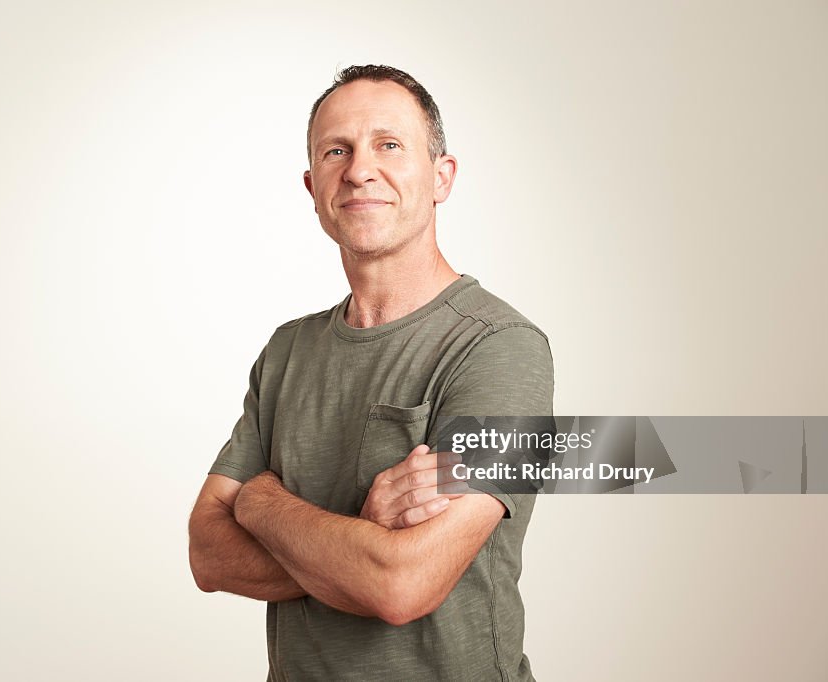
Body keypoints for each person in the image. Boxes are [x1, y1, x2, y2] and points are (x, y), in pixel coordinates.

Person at [188, 64, 554, 681]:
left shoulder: (499, 348)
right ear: (313, 186)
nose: (359, 169)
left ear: (442, 177)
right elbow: (206, 554)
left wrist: (258, 499)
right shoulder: (287, 351)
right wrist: (360, 532)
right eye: (338, 150)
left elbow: (403, 583)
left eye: (389, 145)